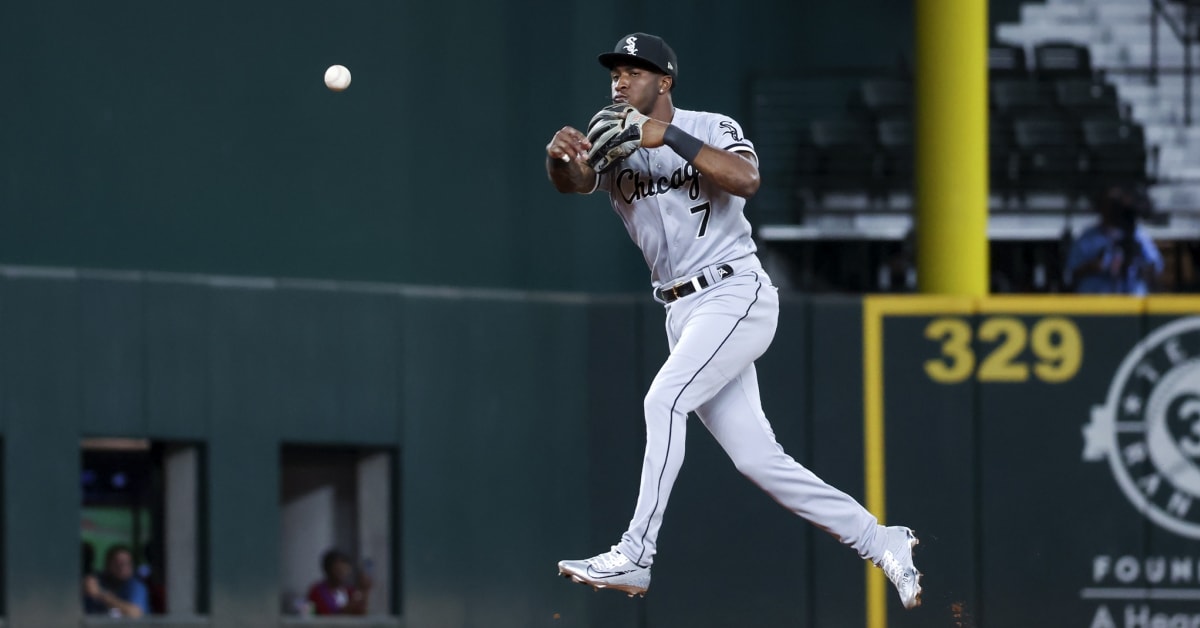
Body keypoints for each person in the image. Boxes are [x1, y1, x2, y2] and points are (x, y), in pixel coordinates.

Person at [544, 32, 922, 609]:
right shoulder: (612, 143)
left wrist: (666, 133)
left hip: (733, 291)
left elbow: (747, 180)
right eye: (615, 72)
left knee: (662, 401)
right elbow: (574, 183)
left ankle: (636, 554)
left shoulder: (709, 125)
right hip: (680, 310)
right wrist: (561, 159)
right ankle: (880, 538)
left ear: (664, 81)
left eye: (635, 71)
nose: (620, 80)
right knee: (757, 459)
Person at [1065, 184, 1164, 295]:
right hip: (1095, 303)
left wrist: (1133, 262)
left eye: (1116, 205)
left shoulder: (1137, 235)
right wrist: (1092, 266)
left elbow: (1155, 268)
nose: (1113, 210)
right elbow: (1070, 274)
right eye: (1109, 204)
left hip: (1132, 302)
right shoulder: (1088, 238)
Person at [83, 544, 149, 617]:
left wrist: (100, 594)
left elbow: (135, 613)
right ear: (107, 564)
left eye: (127, 563)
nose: (122, 568)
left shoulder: (136, 586)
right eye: (117, 563)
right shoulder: (98, 580)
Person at [307, 548, 372, 615]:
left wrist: (365, 591)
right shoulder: (317, 592)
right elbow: (326, 615)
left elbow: (362, 613)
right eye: (338, 570)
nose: (342, 573)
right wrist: (348, 608)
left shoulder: (350, 591)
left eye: (345, 569)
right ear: (328, 569)